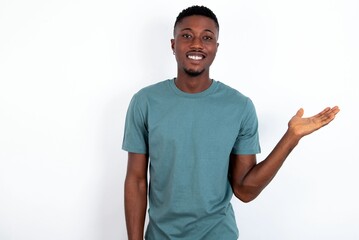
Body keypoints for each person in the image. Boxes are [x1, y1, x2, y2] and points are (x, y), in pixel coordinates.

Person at [122, 5, 340, 240]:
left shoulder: (239, 107)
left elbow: (245, 190)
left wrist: (290, 138)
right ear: (173, 44)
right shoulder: (145, 102)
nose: (196, 44)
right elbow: (136, 180)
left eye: (207, 37)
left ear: (216, 47)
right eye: (186, 35)